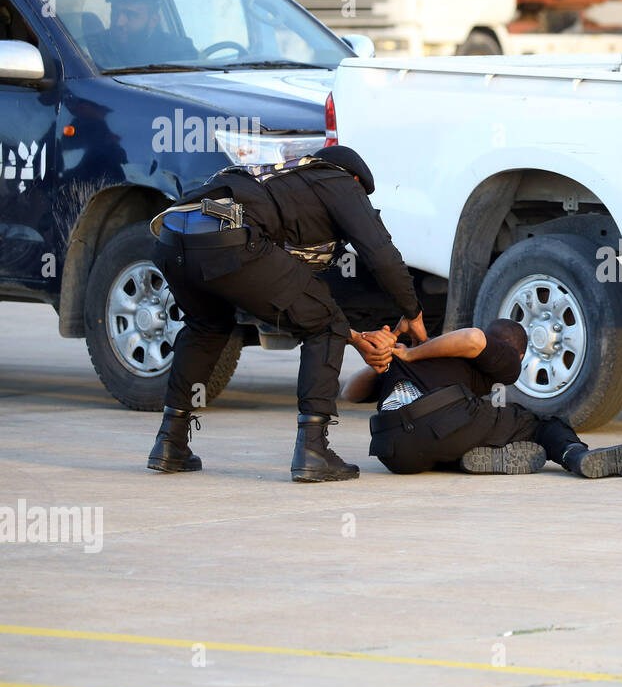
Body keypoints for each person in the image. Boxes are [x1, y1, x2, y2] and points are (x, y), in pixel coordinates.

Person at [146, 145, 427, 482]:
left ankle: (169, 443)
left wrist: (353, 337)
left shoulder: (276, 182)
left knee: (207, 326)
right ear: (353, 178)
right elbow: (380, 255)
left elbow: (286, 301)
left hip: (173, 234)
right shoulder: (338, 180)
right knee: (325, 325)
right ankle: (313, 449)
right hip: (229, 236)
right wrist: (412, 311)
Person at [342, 319, 622, 479]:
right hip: (441, 416)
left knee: (458, 430)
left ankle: (469, 460)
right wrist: (408, 352)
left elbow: (350, 393)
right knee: (538, 423)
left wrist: (386, 361)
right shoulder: (502, 354)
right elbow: (473, 339)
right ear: (518, 352)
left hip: (394, 451)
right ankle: (576, 455)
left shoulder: (421, 362)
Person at [84, 0, 197, 70]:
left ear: (154, 20)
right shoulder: (92, 46)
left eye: (131, 15)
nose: (119, 22)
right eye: (115, 12)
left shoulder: (179, 50)